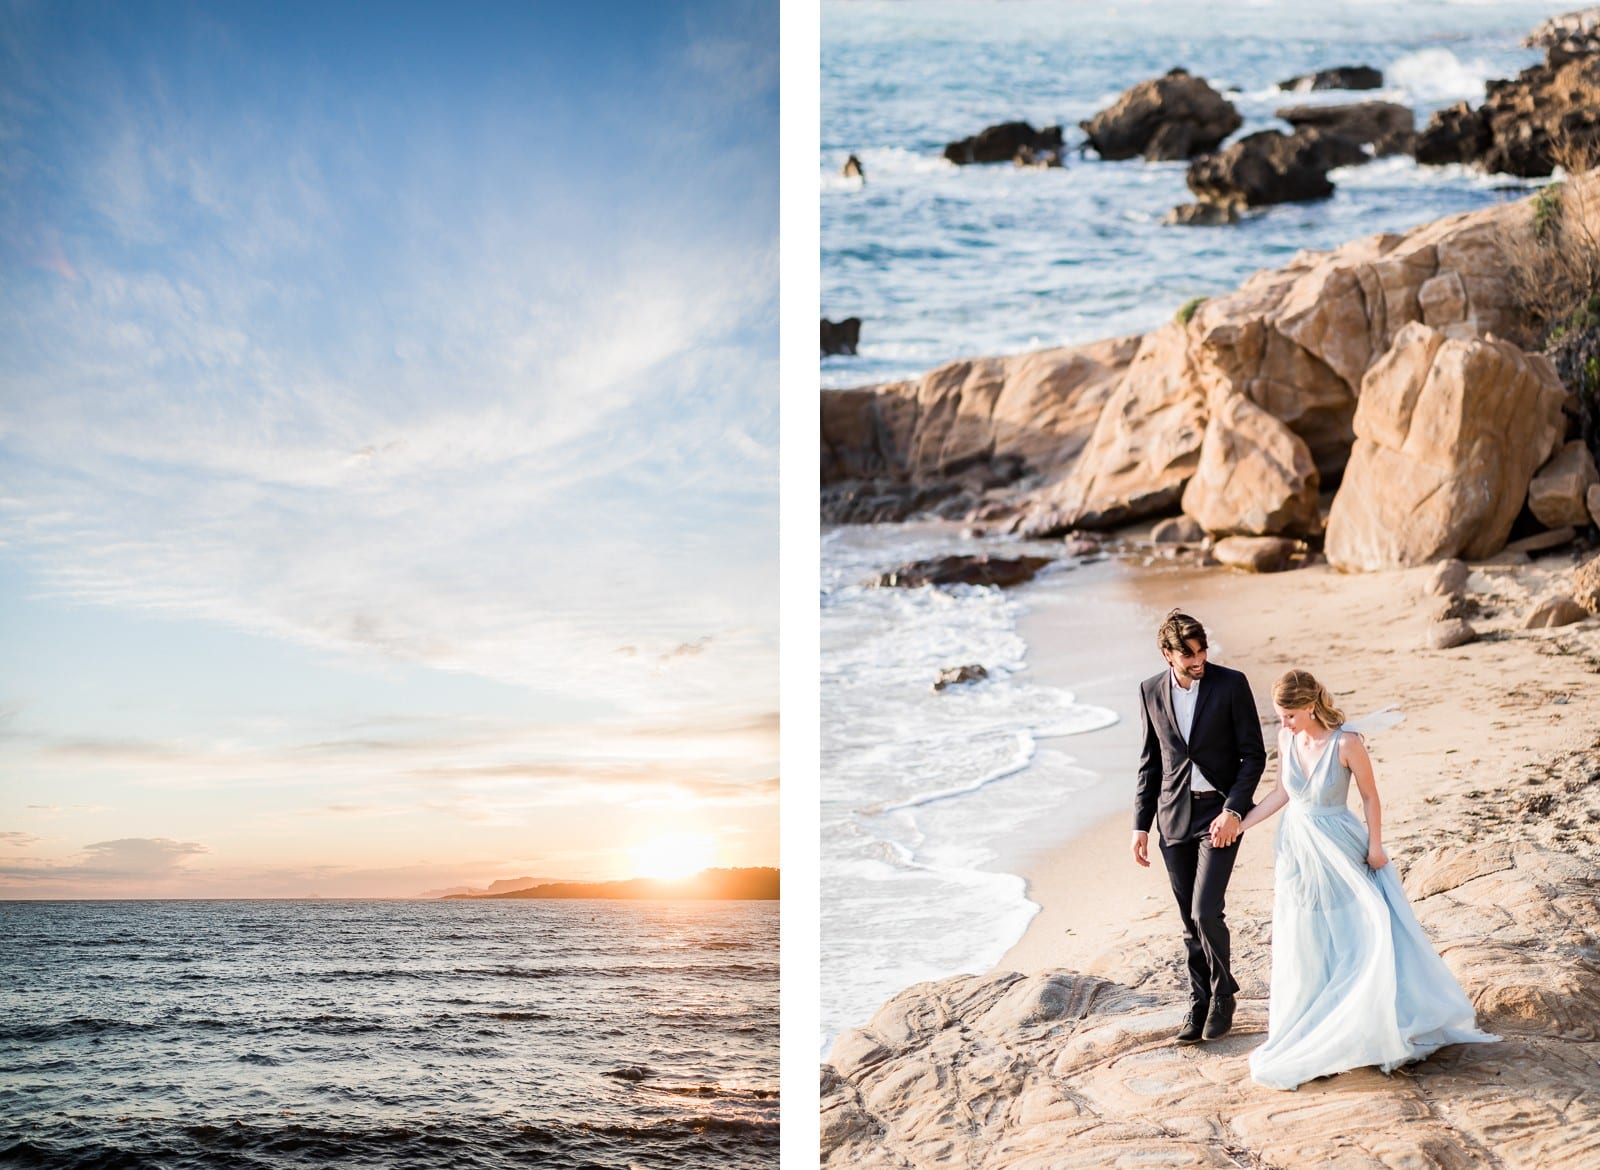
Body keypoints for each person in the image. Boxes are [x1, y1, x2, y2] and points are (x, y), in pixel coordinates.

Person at [1239, 670, 1498, 1090]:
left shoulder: (1347, 742)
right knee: (1306, 932)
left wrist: (1376, 845)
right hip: (1297, 851)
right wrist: (1242, 823)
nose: (1281, 724)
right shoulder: (1288, 740)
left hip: (1341, 844)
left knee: (1360, 927)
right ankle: (1316, 1016)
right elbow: (1282, 793)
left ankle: (1369, 1019)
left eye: (1288, 716)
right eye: (1278, 717)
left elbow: (1370, 795)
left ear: (1309, 707)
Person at [1132, 610, 1266, 1044]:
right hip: (1173, 818)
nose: (1198, 659)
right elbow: (1152, 761)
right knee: (1189, 924)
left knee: (1205, 910)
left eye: (1202, 649)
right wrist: (1139, 825)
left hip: (1220, 815)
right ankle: (1199, 999)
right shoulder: (1150, 690)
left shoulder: (1231, 684)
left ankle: (1223, 993)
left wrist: (1234, 809)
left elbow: (1253, 756)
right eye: (1188, 653)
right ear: (1167, 654)